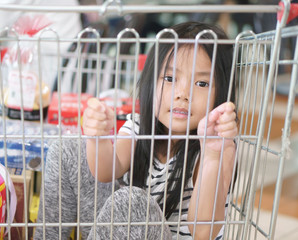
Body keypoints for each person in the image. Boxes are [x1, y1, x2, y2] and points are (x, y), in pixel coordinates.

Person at [35, 21, 237, 240]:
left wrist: (212, 154)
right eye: (169, 79)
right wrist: (98, 138)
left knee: (132, 202)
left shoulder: (219, 148)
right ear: (151, 83)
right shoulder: (140, 127)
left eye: (201, 83)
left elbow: (204, 231)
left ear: (222, 93)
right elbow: (106, 171)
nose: (182, 94)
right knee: (68, 150)